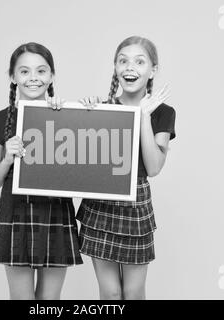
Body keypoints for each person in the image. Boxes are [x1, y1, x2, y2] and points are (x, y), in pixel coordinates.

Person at [77, 36, 176, 300]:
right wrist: (82, 118)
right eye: (123, 61)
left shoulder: (163, 112)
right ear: (115, 68)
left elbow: (154, 167)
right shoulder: (102, 109)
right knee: (110, 294)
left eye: (139, 61)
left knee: (132, 293)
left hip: (136, 204)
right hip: (100, 203)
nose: (130, 67)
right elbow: (81, 160)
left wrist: (143, 116)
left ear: (152, 70)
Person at [0, 42, 83, 300]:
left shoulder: (66, 115)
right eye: (24, 71)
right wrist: (7, 159)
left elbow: (87, 161)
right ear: (13, 77)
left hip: (55, 211)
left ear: (51, 77)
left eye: (41, 71)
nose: (33, 78)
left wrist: (71, 115)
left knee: (49, 302)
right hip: (15, 212)